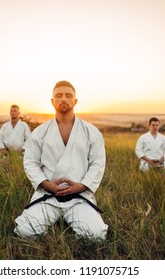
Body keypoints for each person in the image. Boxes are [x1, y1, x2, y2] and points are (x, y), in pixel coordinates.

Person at [14, 80, 108, 240]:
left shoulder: (91, 132)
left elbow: (98, 163)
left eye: (68, 95)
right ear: (52, 101)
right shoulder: (40, 132)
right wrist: (46, 184)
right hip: (48, 195)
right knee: (25, 231)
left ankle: (77, 217)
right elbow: (30, 162)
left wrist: (82, 186)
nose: (63, 98)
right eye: (58, 95)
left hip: (80, 197)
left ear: (75, 101)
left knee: (96, 236)